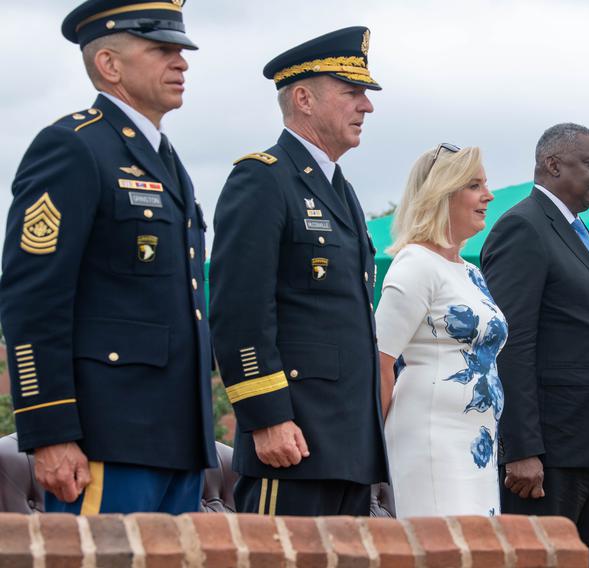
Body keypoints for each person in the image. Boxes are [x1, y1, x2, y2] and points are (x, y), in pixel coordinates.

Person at [0, 0, 215, 514]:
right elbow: (33, 298)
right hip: (106, 439)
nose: (182, 62)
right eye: (162, 49)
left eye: (181, 50)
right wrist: (50, 430)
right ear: (110, 65)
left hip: (176, 440)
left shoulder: (166, 159)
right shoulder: (73, 147)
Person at [209, 27, 386, 516]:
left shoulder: (342, 189)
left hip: (346, 444)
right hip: (292, 440)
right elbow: (239, 310)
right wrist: (266, 417)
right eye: (352, 93)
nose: (366, 107)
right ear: (304, 98)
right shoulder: (263, 178)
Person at [481, 123, 589, 567]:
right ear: (553, 164)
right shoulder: (524, 227)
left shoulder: (576, 232)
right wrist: (521, 447)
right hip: (552, 452)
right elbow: (511, 344)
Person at [375, 144, 506, 517]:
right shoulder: (415, 264)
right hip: (430, 441)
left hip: (477, 442)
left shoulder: (471, 273)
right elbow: (381, 361)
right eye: (474, 185)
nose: (488, 195)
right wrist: (374, 451)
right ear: (441, 194)